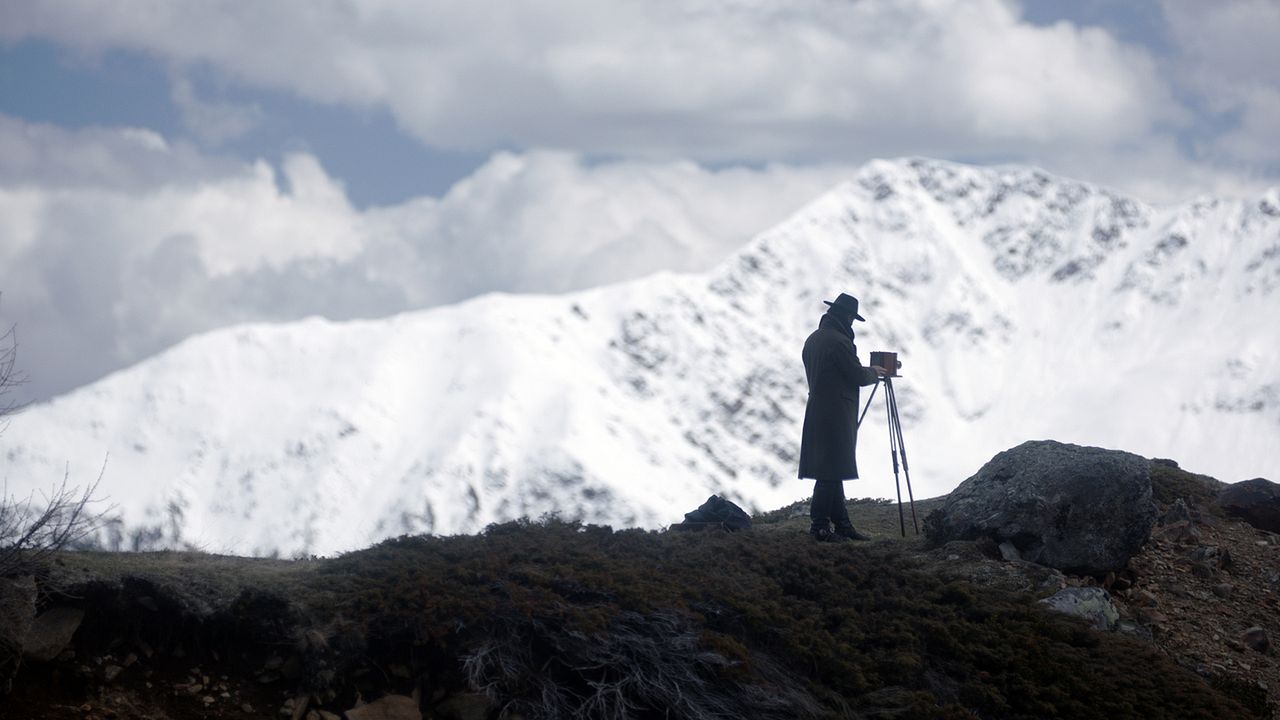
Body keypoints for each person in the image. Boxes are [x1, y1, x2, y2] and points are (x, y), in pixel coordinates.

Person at [798, 293, 886, 542]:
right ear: (847, 317)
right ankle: (820, 527)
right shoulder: (839, 342)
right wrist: (873, 372)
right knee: (829, 470)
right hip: (836, 413)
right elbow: (856, 375)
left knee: (832, 467)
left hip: (818, 409)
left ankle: (841, 524)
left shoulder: (813, 340)